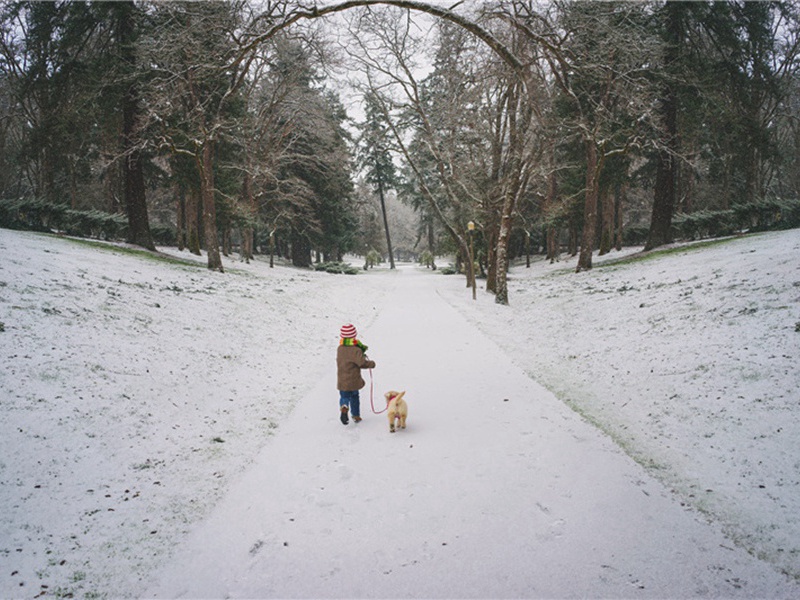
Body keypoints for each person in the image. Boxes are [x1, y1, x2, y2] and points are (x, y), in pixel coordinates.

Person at [336, 323, 375, 425]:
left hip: (342, 381)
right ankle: (356, 415)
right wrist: (371, 364)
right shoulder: (356, 350)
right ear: (354, 335)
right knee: (354, 397)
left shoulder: (340, 348)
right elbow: (361, 363)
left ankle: (344, 407)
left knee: (344, 397)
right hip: (353, 381)